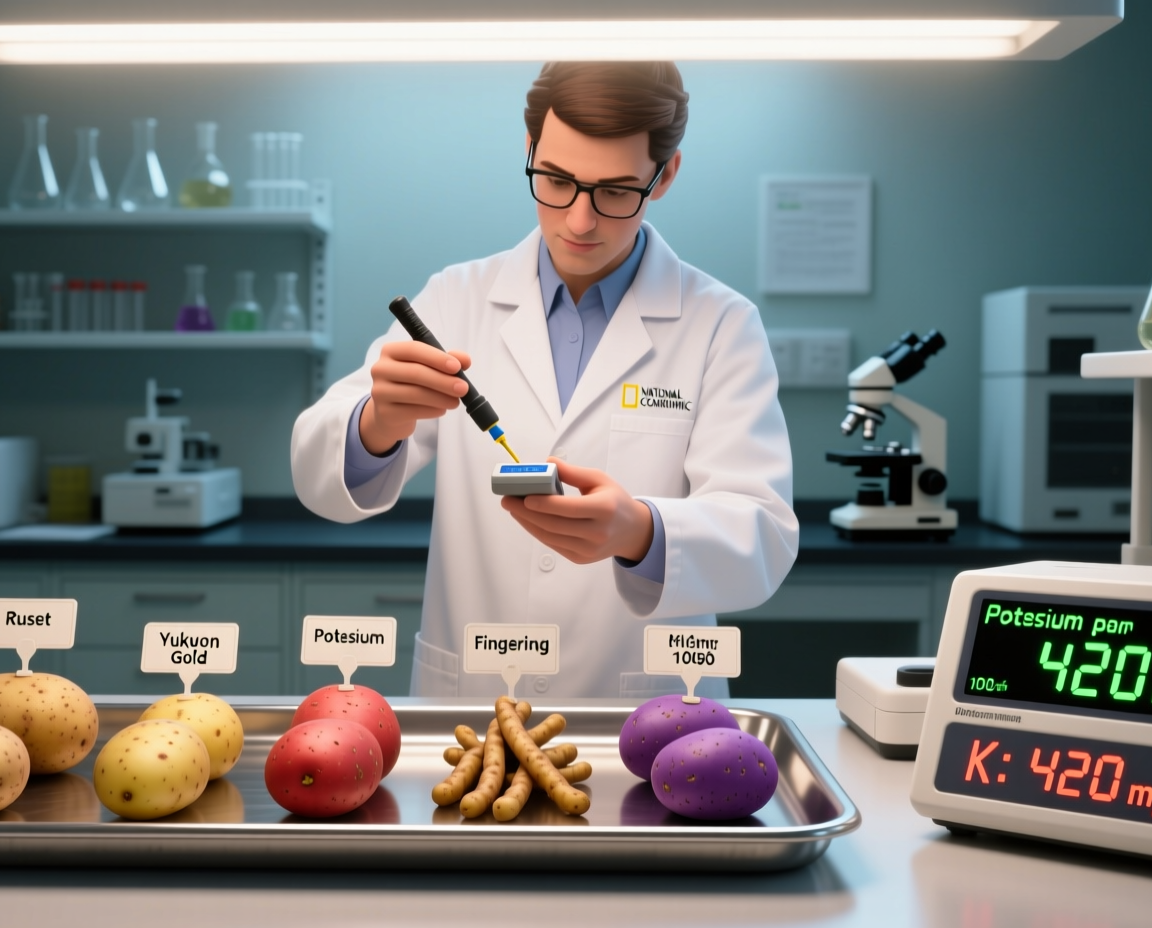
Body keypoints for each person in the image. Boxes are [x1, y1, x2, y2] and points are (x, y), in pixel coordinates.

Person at [292, 61, 797, 698]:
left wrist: (639, 531)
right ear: (529, 150)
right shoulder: (455, 302)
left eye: (615, 191)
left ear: (664, 175)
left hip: (646, 714)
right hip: (473, 709)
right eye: (555, 179)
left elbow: (764, 536)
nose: (580, 221)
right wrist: (377, 423)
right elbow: (318, 481)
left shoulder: (720, 324)